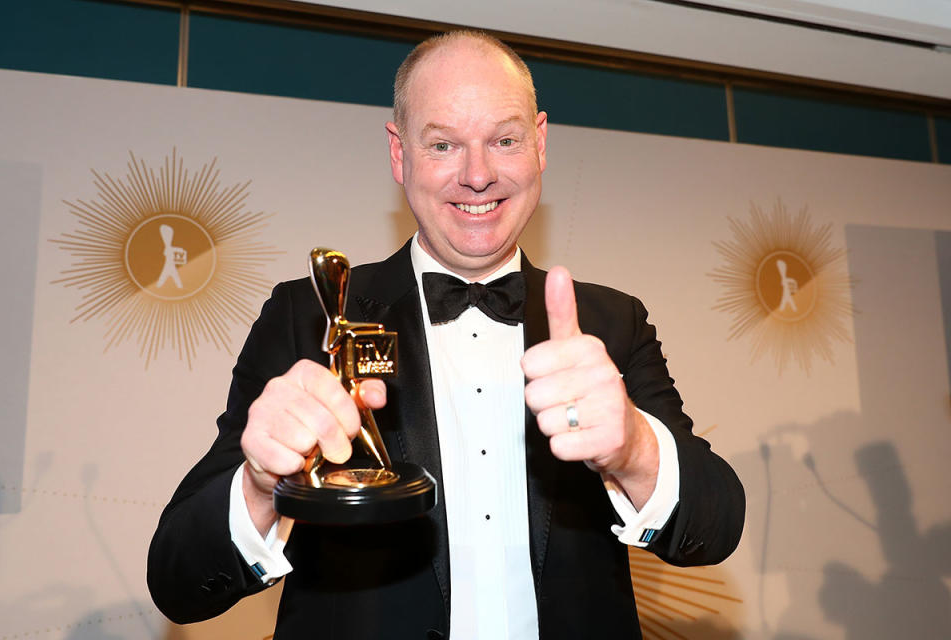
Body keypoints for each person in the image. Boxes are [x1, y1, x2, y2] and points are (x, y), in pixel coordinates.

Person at [147, 30, 744, 640]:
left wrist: (635, 451)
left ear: (540, 144)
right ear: (399, 153)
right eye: (443, 145)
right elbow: (177, 581)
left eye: (504, 140)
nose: (477, 175)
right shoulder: (311, 315)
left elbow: (715, 529)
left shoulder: (613, 323)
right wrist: (260, 484)